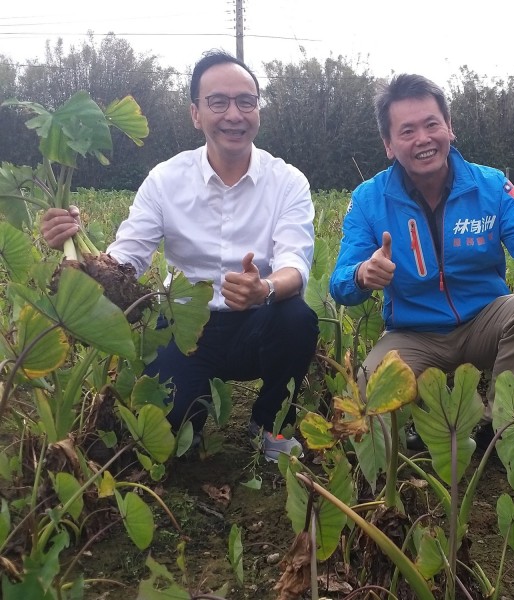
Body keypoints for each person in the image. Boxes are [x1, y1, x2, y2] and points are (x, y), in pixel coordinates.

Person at [41, 50, 319, 462]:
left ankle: (269, 424)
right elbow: (128, 257)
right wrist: (78, 250)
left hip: (259, 322)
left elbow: (295, 262)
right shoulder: (166, 179)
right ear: (195, 113)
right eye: (218, 102)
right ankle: (192, 406)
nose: (234, 114)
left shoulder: (287, 181)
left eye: (246, 101)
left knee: (298, 317)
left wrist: (264, 288)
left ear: (258, 110)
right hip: (185, 325)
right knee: (173, 436)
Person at [329, 73, 514, 447]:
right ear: (389, 144)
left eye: (431, 124)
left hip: (482, 324)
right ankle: (431, 421)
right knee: (367, 392)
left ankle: (495, 425)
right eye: (407, 131)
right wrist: (362, 274)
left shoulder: (490, 186)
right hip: (414, 334)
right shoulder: (368, 199)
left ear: (450, 128)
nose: (423, 139)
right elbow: (340, 284)